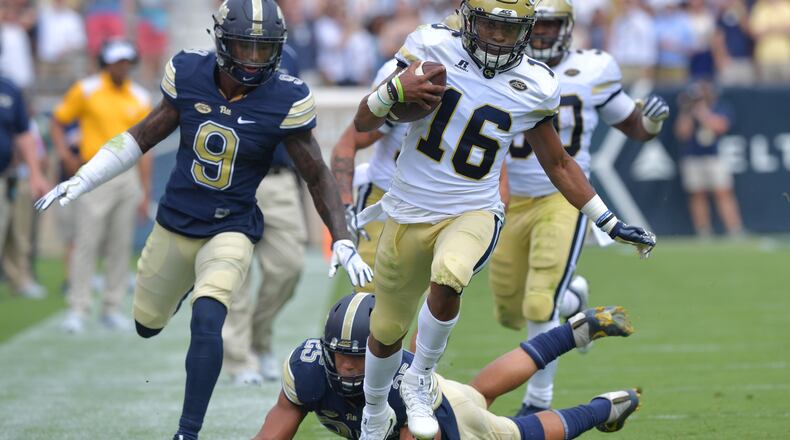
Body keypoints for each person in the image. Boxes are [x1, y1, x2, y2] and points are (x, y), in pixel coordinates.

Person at [34, 1, 372, 439]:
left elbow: (317, 173)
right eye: (245, 47)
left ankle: (187, 431)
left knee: (208, 318)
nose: (254, 59)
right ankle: (179, 286)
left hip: (232, 226)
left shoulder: (286, 96)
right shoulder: (189, 72)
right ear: (223, 42)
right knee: (146, 324)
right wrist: (84, 177)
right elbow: (142, 136)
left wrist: (341, 236)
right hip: (175, 222)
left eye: (263, 49)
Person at [351, 1, 656, 438]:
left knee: (450, 272)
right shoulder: (431, 45)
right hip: (408, 208)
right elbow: (364, 122)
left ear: (525, 31)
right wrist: (393, 93)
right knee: (386, 328)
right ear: (469, 21)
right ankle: (374, 412)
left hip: (474, 208)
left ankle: (419, 379)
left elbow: (558, 162)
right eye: (490, 25)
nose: (498, 37)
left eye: (508, 29)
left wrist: (607, 222)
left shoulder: (535, 82)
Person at [489, 0, 670, 418]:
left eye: (551, 25)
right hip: (509, 201)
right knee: (510, 311)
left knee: (539, 304)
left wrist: (651, 122)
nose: (542, 33)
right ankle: (573, 300)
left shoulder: (592, 69)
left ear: (568, 28)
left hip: (563, 197)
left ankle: (539, 400)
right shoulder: (500, 65)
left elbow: (632, 125)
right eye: (537, 25)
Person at [253, 292, 640, 440]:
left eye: (360, 357)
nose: (350, 367)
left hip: (442, 414)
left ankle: (605, 408)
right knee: (479, 393)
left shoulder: (401, 386)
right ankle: (573, 332)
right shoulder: (306, 370)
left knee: (513, 433)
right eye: (342, 355)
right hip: (445, 394)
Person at [49, 38, 153, 333]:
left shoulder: (139, 96)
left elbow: (146, 146)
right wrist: (65, 155)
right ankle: (78, 308)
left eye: (126, 61)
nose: (122, 66)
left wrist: (145, 190)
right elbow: (58, 120)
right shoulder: (87, 89)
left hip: (127, 176)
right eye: (117, 61)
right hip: (93, 173)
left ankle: (111, 307)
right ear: (106, 62)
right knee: (87, 241)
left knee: (121, 244)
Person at [222, 45, 310, 385]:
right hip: (233, 175)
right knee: (235, 270)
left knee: (289, 266)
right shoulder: (222, 53)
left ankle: (258, 341)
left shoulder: (290, 54)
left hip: (278, 177)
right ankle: (240, 359)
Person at [331, 58, 409, 267]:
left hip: (442, 204)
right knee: (371, 282)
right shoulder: (406, 73)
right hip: (385, 195)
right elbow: (347, 143)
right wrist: (345, 209)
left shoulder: (478, 83)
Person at [674, 80, 743, 237]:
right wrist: (687, 112)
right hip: (692, 157)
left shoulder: (720, 107)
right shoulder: (687, 111)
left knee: (723, 192)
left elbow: (721, 126)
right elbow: (682, 134)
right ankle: (703, 231)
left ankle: (734, 229)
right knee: (697, 194)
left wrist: (702, 113)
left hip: (714, 156)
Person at [0, 76, 49, 277]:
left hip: (4, 178)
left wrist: (35, 175)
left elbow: (24, 135)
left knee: (17, 233)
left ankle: (20, 277)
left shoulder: (9, 89)